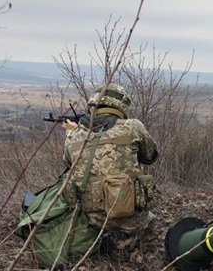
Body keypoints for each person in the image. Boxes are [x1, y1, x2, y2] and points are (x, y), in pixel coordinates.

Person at [63, 83, 159, 251]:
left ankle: (100, 239)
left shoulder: (75, 134)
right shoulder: (133, 127)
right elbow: (150, 156)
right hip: (130, 219)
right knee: (150, 219)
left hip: (89, 222)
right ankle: (126, 240)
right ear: (121, 105)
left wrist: (71, 131)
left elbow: (68, 162)